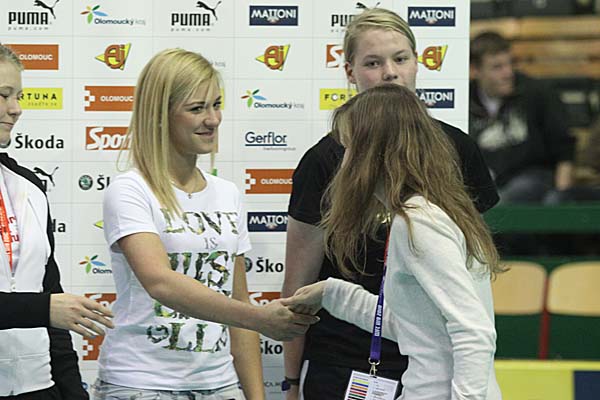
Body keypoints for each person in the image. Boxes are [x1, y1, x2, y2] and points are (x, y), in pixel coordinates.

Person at [281, 8, 499, 399]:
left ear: (373, 151)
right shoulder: (411, 215)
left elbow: (472, 330)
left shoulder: (420, 221)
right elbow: (412, 323)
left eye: (400, 58)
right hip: (359, 362)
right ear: (350, 71)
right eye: (373, 62)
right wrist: (330, 293)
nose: (390, 73)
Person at [93, 48, 318, 400]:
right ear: (160, 115)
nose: (213, 119)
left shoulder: (227, 193)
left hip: (219, 384)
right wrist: (258, 318)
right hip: (142, 384)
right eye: (197, 108)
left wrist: (256, 396)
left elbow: (238, 301)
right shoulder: (130, 190)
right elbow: (160, 282)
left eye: (216, 105)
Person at [0, 43, 114, 399]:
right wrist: (43, 309)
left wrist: (72, 392)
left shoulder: (30, 186)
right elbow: (49, 307)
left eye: (19, 96)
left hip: (38, 387)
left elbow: (51, 297)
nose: (16, 109)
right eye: (3, 95)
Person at [469, 31, 576, 204]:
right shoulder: (464, 99)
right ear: (475, 70)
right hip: (484, 181)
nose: (508, 73)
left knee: (505, 198)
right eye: (497, 67)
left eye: (510, 64)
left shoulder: (538, 93)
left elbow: (564, 148)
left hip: (533, 177)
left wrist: (562, 195)